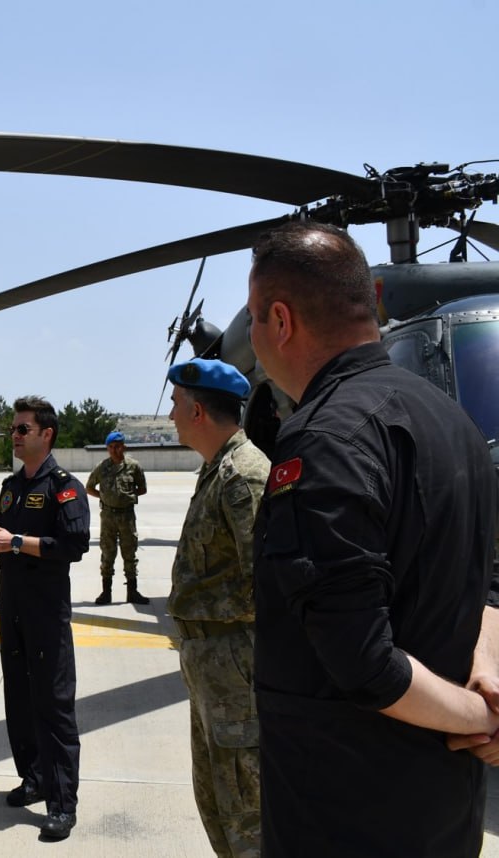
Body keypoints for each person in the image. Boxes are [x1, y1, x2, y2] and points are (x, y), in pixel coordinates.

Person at [248, 222, 498, 856]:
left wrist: (486, 717)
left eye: (254, 321)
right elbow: (482, 584)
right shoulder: (452, 421)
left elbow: (363, 660)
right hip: (442, 807)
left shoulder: (324, 441)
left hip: (347, 812)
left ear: (280, 320)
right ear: (374, 308)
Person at [0, 395, 89, 843]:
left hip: (46, 607)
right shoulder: (10, 486)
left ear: (46, 434)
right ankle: (33, 777)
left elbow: (73, 545)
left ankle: (62, 804)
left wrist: (13, 542)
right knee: (19, 695)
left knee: (53, 703)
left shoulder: (64, 486)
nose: (14, 435)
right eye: (13, 429)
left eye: (22, 429)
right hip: (12, 603)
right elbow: (3, 538)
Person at [165, 360, 269, 858]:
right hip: (211, 667)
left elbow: (268, 587)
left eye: (176, 405)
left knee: (246, 817)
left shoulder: (242, 477)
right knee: (217, 805)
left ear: (199, 409)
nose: (170, 416)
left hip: (235, 670)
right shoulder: (217, 471)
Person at [85, 430, 148, 605]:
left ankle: (132, 592)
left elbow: (142, 489)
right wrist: (104, 497)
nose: (114, 450)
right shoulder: (102, 467)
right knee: (107, 553)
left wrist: (127, 496)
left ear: (124, 447)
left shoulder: (133, 466)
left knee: (130, 553)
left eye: (117, 446)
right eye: (111, 447)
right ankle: (106, 592)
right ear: (107, 449)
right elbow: (89, 487)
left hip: (127, 516)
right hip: (108, 517)